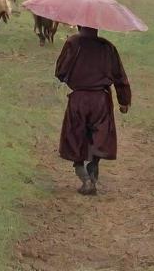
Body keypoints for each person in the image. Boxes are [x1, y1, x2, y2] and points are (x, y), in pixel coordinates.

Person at [54, 24, 132, 195]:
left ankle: (83, 175)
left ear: (79, 25)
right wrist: (124, 100)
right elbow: (119, 76)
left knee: (75, 136)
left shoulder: (72, 43)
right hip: (101, 100)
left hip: (79, 99)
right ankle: (94, 166)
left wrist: (74, 78)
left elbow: (60, 71)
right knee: (100, 135)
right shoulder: (107, 47)